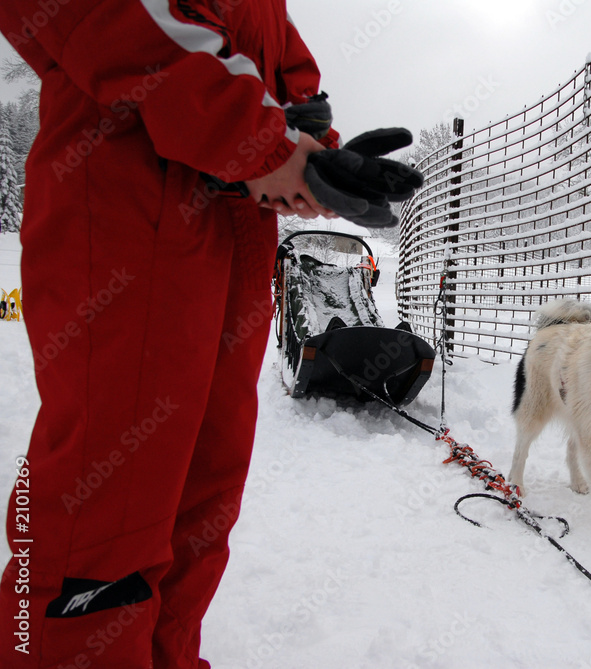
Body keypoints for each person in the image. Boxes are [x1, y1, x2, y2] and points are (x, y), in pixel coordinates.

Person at [0, 1, 341, 666]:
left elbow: (275, 50)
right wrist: (260, 139)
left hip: (233, 212)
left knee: (201, 489)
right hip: (126, 193)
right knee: (108, 502)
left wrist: (315, 147)